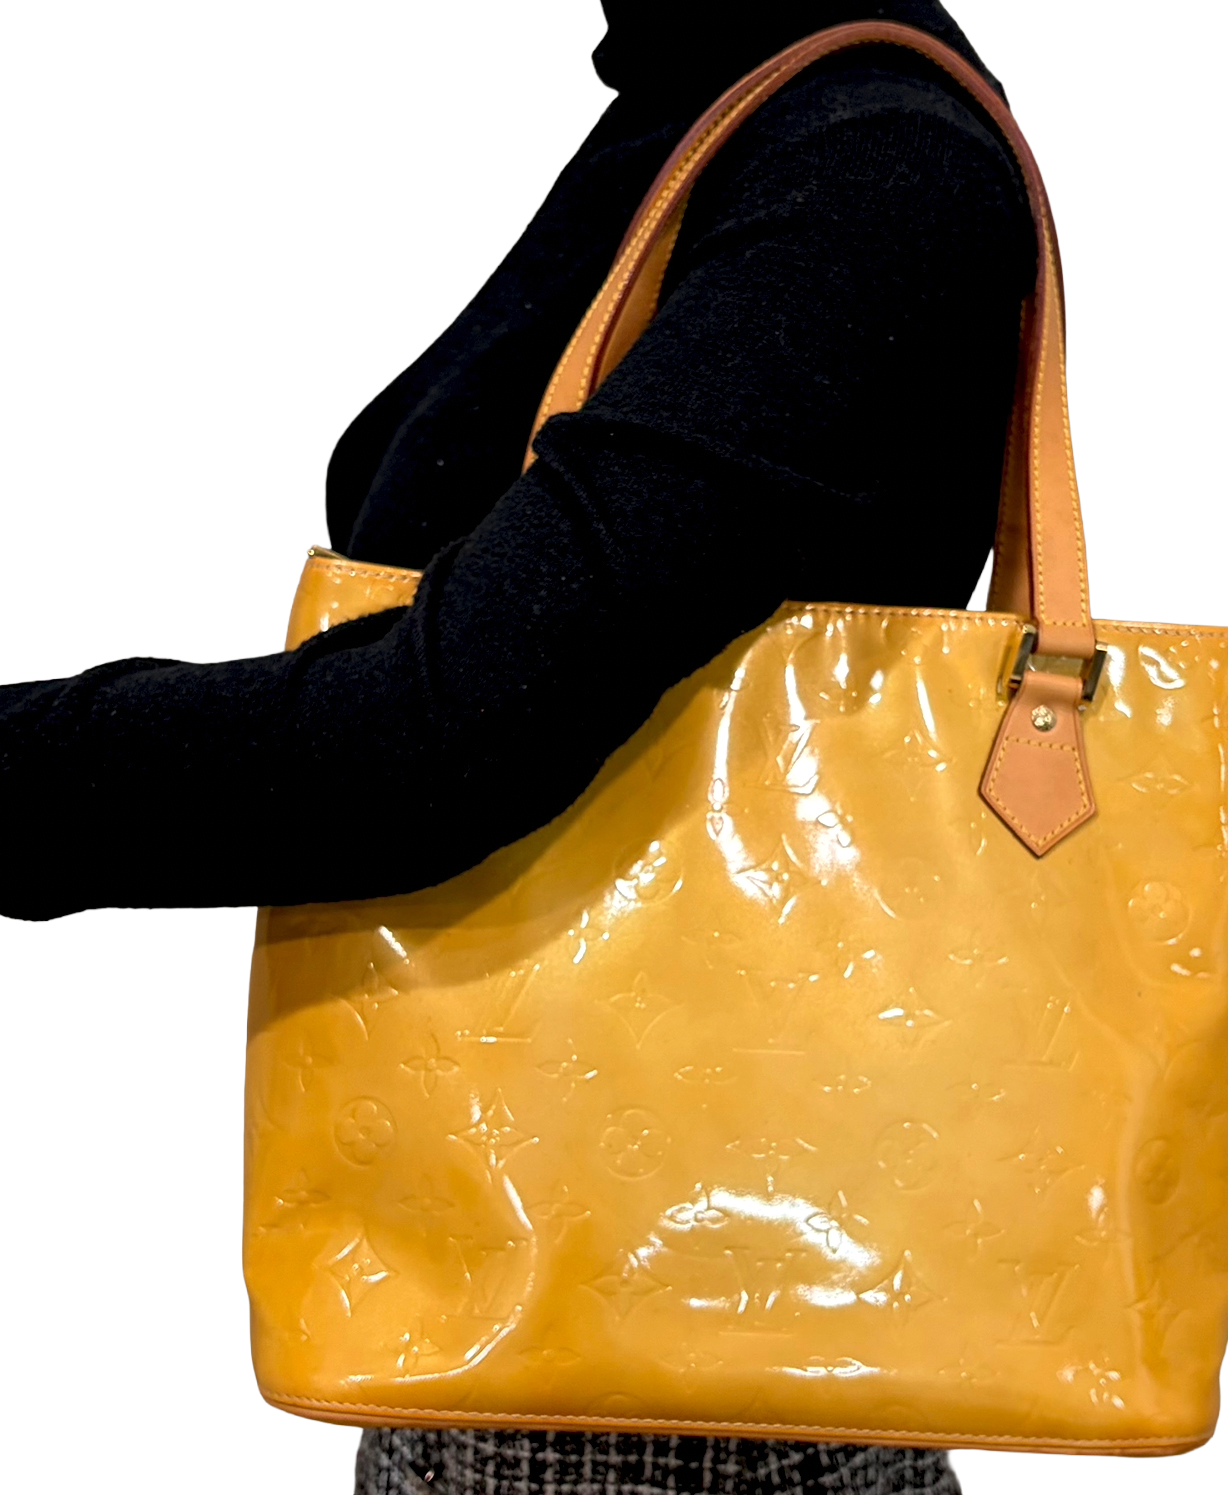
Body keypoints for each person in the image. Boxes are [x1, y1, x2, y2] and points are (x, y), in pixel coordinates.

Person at [0, 1, 1035, 1490]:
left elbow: (439, 734)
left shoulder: (862, 158)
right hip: (562, 1283)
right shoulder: (728, 105)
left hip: (667, 1378)